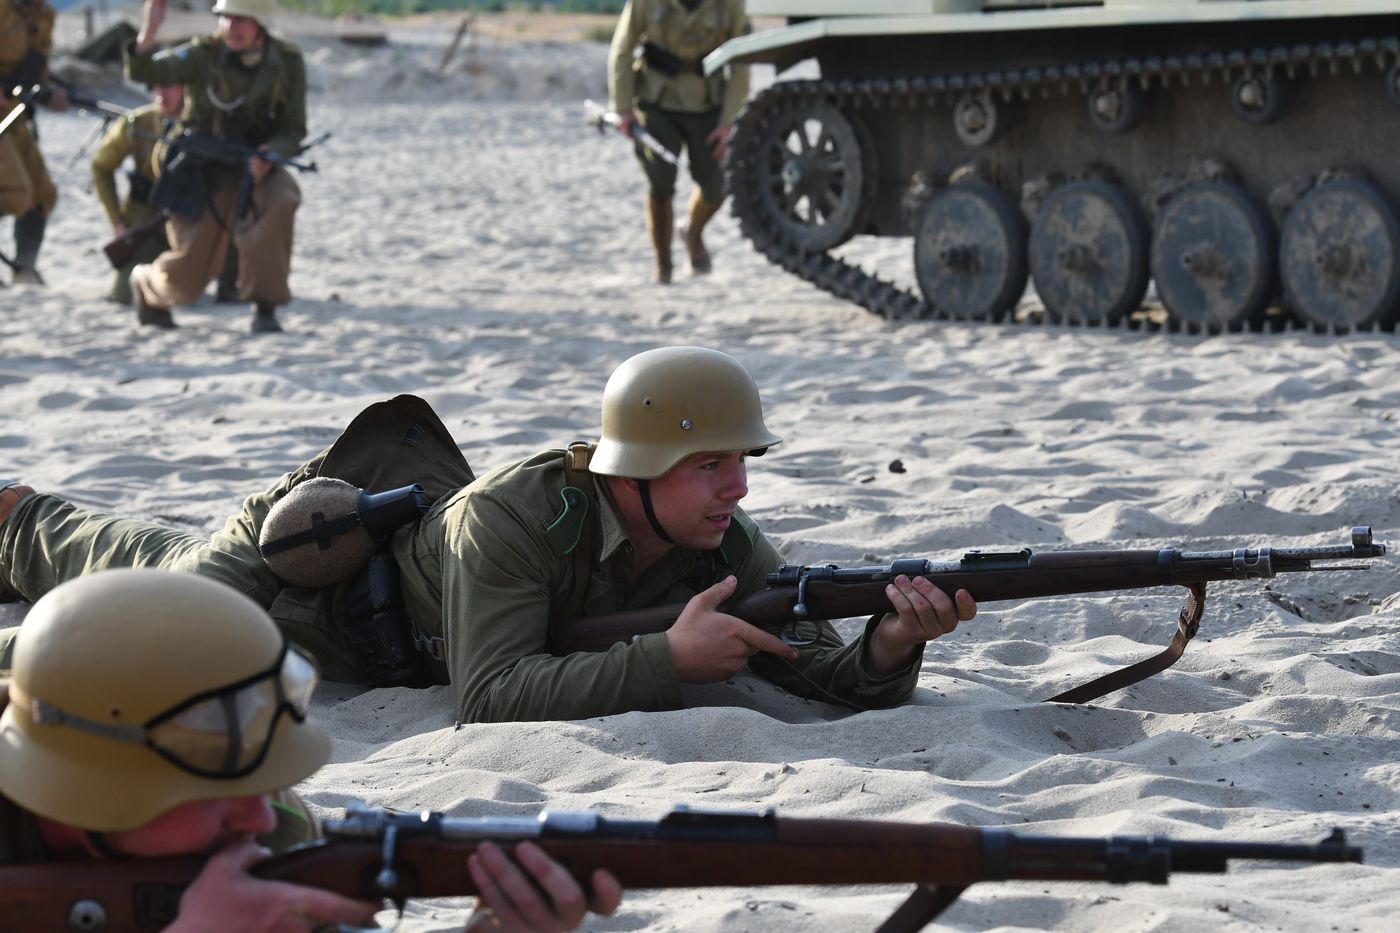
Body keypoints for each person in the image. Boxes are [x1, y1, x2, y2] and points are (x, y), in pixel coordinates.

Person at [0, 347, 976, 724]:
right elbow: (490, 695)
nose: (738, 486)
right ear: (635, 469)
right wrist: (665, 660)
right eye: (710, 464)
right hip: (310, 560)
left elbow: (816, 670)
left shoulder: (721, 536)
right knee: (152, 618)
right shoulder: (513, 517)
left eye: (740, 461)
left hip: (391, 629)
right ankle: (19, 523)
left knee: (145, 573)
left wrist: (890, 644)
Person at [0, 568, 624, 932]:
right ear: (91, 788)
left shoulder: (274, 835)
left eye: (261, 783)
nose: (258, 816)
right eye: (216, 795)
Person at [123, 0, 305, 333]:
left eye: (241, 19)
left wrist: (271, 154)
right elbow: (145, 72)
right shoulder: (202, 54)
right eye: (225, 18)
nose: (231, 27)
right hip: (204, 169)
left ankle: (264, 306)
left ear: (260, 24)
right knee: (187, 280)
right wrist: (149, 31)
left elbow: (293, 128)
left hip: (256, 163)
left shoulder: (287, 62)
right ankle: (146, 284)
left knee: (281, 197)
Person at [607, 0, 749, 284]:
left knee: (715, 186)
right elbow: (622, 50)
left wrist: (727, 122)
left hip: (708, 103)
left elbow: (741, 61)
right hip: (657, 100)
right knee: (660, 179)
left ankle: (692, 233)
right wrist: (622, 108)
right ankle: (663, 264)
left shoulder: (730, 4)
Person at [91, 83, 182, 305]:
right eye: (157, 85)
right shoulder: (138, 121)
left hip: (192, 223)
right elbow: (101, 166)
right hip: (148, 221)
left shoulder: (206, 123)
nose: (161, 93)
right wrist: (117, 222)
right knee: (125, 295)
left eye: (170, 86)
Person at [0, 0, 66, 286]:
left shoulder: (44, 15)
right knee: (17, 193)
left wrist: (51, 93)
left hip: (14, 116)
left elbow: (37, 70)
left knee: (42, 196)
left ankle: (24, 270)